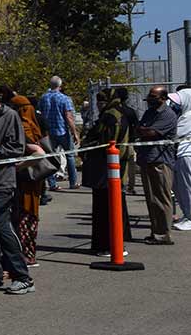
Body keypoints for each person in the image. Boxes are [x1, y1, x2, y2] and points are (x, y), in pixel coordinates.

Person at [0, 82, 34, 293]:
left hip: (3, 181)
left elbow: (17, 148)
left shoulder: (9, 116)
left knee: (2, 226)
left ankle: (22, 276)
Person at [84, 88, 136, 254]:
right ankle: (114, 244)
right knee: (111, 205)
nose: (99, 105)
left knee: (106, 207)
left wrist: (87, 145)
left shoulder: (111, 116)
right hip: (112, 167)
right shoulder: (118, 113)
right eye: (98, 101)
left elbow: (105, 140)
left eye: (102, 101)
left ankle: (110, 245)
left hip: (106, 167)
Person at [0, 85, 46, 266]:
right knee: (28, 216)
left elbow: (38, 152)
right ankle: (28, 252)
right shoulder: (35, 123)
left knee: (22, 218)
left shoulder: (23, 126)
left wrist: (18, 166)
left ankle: (25, 254)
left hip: (25, 181)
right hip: (34, 180)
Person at [136, 85, 178, 245]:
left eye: (154, 97)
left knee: (161, 198)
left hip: (160, 161)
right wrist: (142, 130)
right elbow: (139, 129)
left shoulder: (167, 115)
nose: (150, 99)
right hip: (147, 158)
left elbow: (151, 133)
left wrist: (143, 130)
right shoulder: (149, 112)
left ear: (163, 98)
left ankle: (164, 234)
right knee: (152, 199)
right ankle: (156, 231)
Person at [38, 77, 78, 189]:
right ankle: (73, 182)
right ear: (60, 85)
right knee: (70, 156)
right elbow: (68, 117)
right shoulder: (65, 98)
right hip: (62, 131)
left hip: (48, 132)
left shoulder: (43, 98)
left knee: (51, 157)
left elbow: (39, 114)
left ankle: (52, 183)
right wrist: (74, 132)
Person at [171, 84, 191, 233]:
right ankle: (187, 214)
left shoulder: (188, 117)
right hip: (180, 154)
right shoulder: (183, 116)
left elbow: (176, 134)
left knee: (187, 187)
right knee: (180, 188)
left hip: (187, 155)